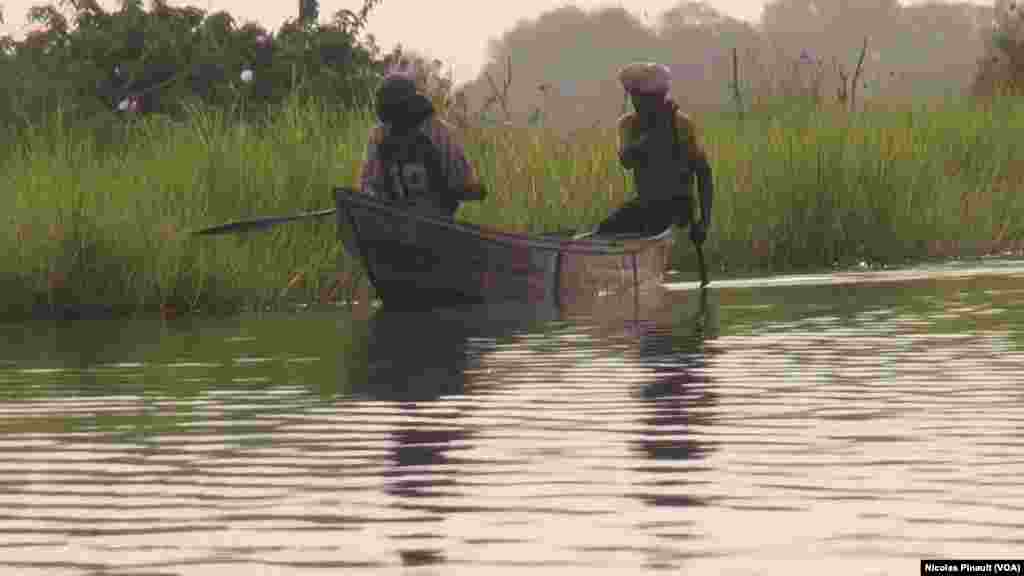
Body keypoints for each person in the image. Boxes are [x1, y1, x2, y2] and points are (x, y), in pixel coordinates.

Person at [596, 62, 713, 247]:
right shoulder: (628, 124)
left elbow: (704, 173)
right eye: (634, 97)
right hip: (647, 204)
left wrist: (704, 223)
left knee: (650, 219)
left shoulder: (681, 125)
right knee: (604, 232)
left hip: (678, 205)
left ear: (661, 97)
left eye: (645, 98)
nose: (638, 104)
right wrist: (659, 129)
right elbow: (627, 160)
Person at [359, 72, 487, 218]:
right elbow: (368, 187)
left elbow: (466, 184)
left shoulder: (438, 133)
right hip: (394, 221)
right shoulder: (380, 135)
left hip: (433, 222)